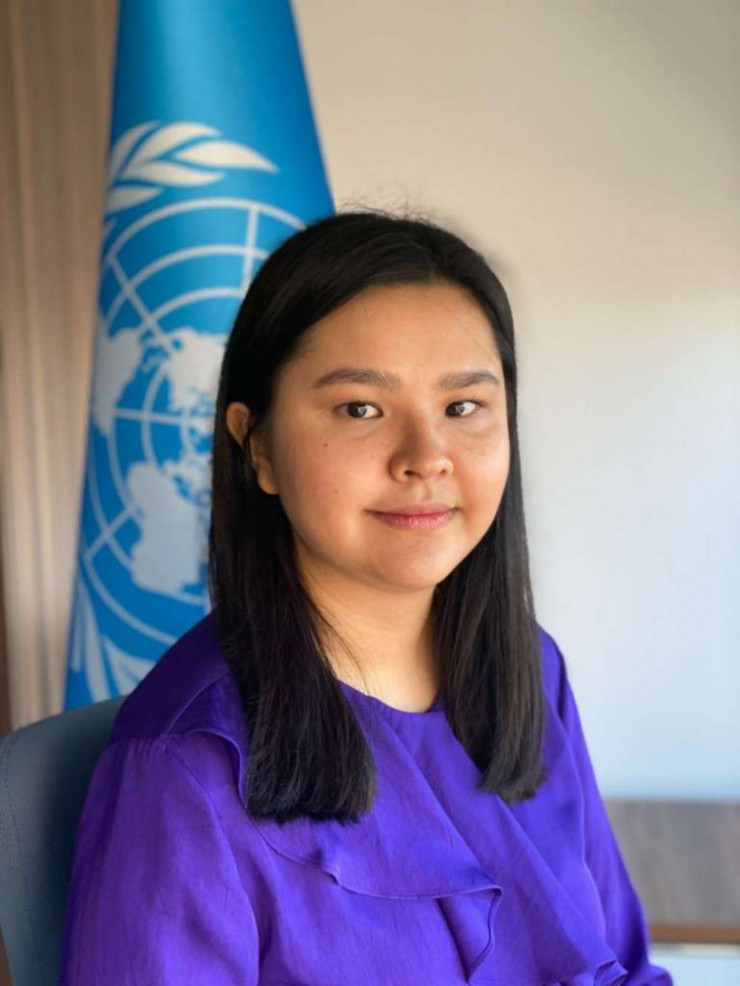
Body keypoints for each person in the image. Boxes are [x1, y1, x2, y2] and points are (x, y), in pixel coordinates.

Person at [58, 208, 673, 984]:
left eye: (462, 407)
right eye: (361, 409)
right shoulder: (188, 766)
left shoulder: (527, 667)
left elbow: (623, 961)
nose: (426, 457)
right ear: (257, 445)